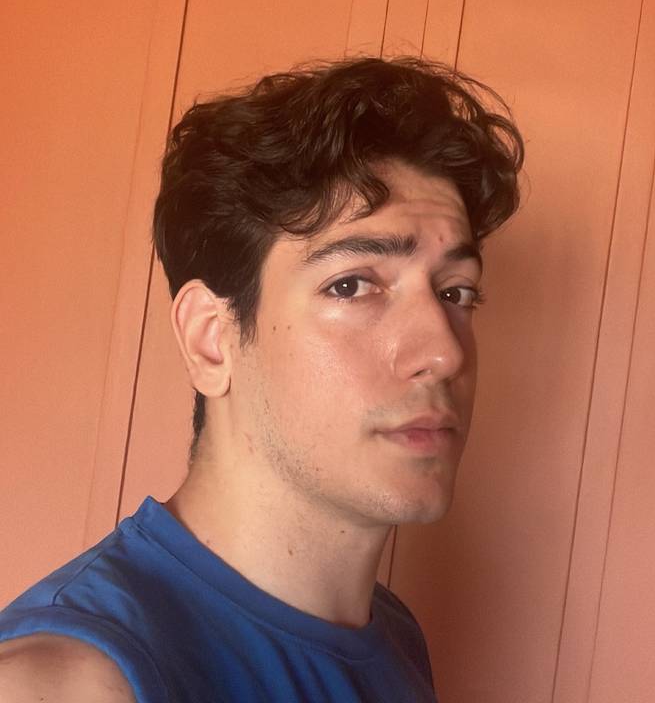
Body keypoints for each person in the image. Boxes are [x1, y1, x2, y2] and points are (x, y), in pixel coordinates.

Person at [0, 56, 523, 701]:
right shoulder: (71, 681)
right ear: (211, 339)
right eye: (352, 285)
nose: (444, 353)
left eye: (456, 292)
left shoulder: (394, 639)